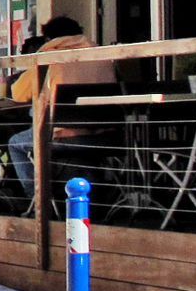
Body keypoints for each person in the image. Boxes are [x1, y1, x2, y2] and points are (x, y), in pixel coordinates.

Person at [7, 15, 117, 198]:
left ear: (49, 38)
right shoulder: (102, 57)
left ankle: (36, 198)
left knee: (16, 144)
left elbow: (18, 94)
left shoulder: (49, 58)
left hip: (63, 135)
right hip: (103, 135)